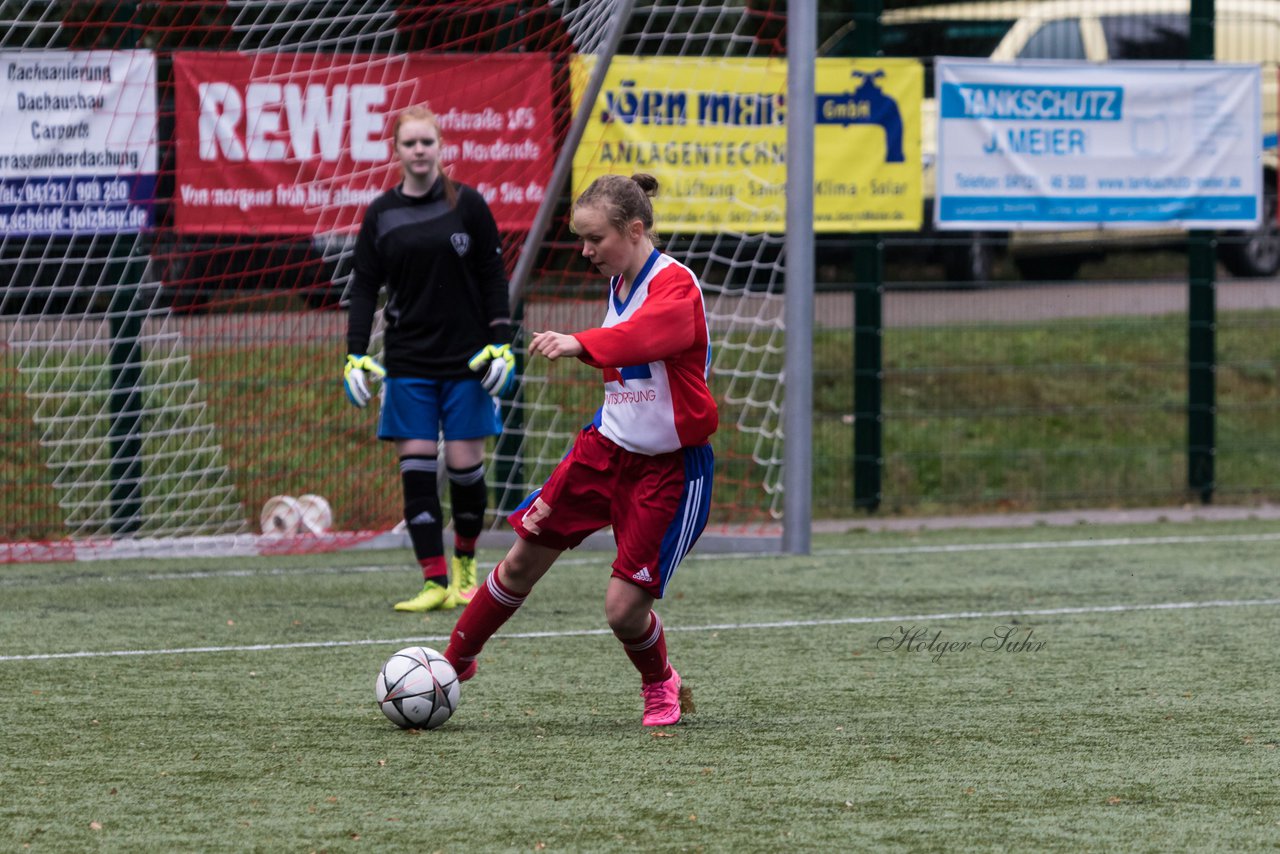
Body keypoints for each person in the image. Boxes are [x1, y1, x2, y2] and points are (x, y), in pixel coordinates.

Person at [442, 172, 717, 727]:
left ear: (634, 230)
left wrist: (579, 342)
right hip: (605, 450)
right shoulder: (619, 277)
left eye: (595, 239)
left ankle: (661, 683)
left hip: (668, 471)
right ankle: (450, 665)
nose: (585, 250)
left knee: (623, 611)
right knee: (521, 558)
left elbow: (651, 336)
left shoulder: (677, 285)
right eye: (581, 238)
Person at [343, 105, 517, 613]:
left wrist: (501, 342)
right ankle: (433, 581)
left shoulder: (469, 206)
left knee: (466, 471)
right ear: (394, 151)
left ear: (441, 148)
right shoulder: (381, 213)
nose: (419, 151)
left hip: (467, 363)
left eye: (427, 143)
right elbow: (363, 290)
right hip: (409, 361)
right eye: (409, 143)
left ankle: (465, 567)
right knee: (416, 470)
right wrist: (355, 355)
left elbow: (492, 277)